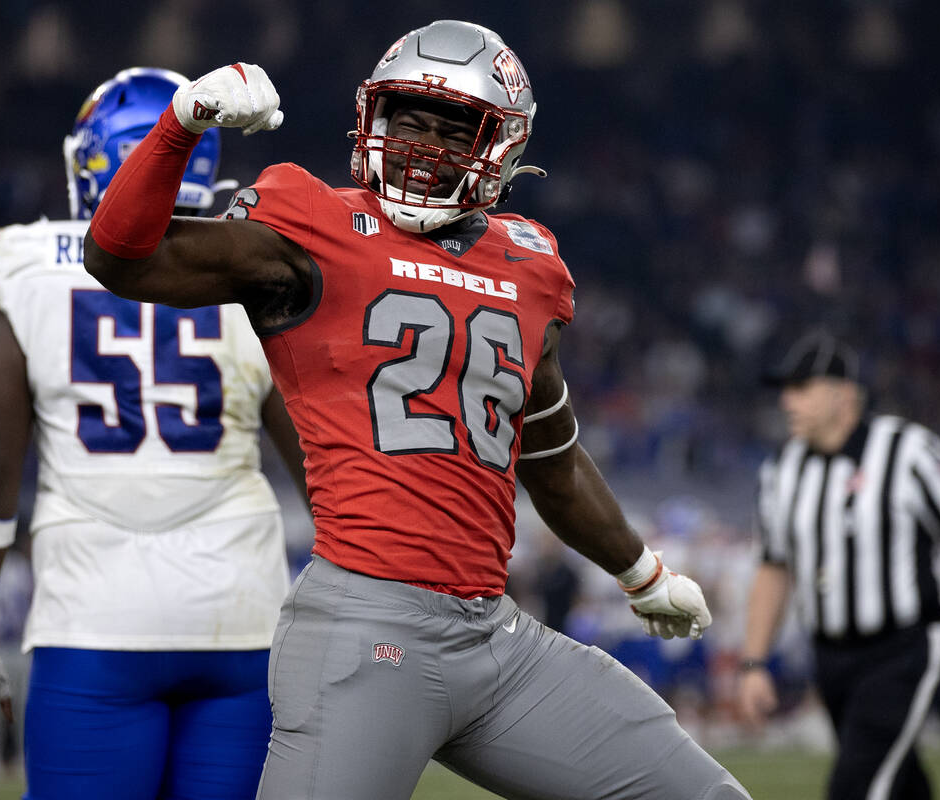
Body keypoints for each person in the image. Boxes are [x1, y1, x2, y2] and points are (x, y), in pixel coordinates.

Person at [83, 19, 751, 800]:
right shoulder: (310, 221)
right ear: (373, 120)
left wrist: (641, 574)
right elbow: (121, 259)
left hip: (495, 639)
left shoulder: (532, 264)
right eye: (409, 121)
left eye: (453, 129)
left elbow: (552, 457)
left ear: (501, 145)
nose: (425, 145)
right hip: (364, 628)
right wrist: (182, 125)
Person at [0, 67, 307, 800]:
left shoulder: (24, 264)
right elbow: (320, 457)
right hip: (242, 618)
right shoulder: (254, 266)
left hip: (94, 622)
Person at [736, 329, 940, 800]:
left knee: (857, 783)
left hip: (904, 647)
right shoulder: (781, 470)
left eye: (801, 388)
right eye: (786, 389)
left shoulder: (909, 451)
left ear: (842, 394)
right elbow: (773, 566)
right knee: (898, 781)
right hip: (830, 656)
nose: (787, 401)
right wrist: (753, 662)